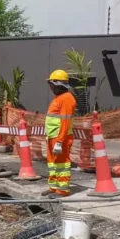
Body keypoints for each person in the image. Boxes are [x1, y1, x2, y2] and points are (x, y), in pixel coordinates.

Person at [44, 69, 77, 198]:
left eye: (51, 84)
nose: (51, 87)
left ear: (58, 85)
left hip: (60, 137)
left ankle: (63, 190)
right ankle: (54, 186)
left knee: (62, 163)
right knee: (53, 163)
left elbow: (65, 121)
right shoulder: (60, 98)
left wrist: (59, 141)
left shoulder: (66, 99)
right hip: (53, 136)